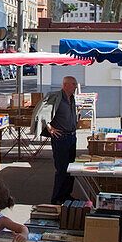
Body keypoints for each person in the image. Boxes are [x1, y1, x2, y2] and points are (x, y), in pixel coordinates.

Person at [45, 75, 79, 204]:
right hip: (61, 138)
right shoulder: (56, 97)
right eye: (73, 84)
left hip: (71, 136)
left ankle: (67, 195)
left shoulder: (72, 98)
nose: (75, 86)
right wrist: (50, 128)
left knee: (71, 168)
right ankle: (57, 198)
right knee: (61, 169)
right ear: (65, 85)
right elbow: (43, 113)